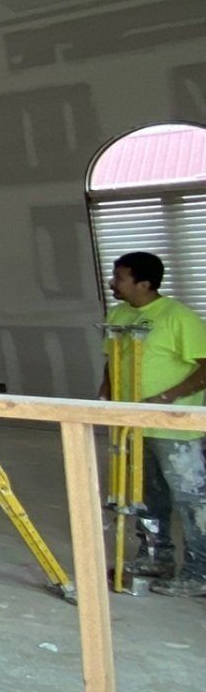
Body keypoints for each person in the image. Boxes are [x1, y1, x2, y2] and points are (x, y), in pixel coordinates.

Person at [103, 252, 206, 597]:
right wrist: (104, 395)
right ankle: (156, 556)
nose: (113, 283)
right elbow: (112, 359)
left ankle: (199, 572)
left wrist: (167, 398)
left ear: (144, 284)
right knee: (145, 497)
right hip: (133, 425)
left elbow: (204, 367)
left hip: (175, 429)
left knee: (192, 500)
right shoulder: (117, 315)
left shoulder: (177, 317)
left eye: (120, 278)